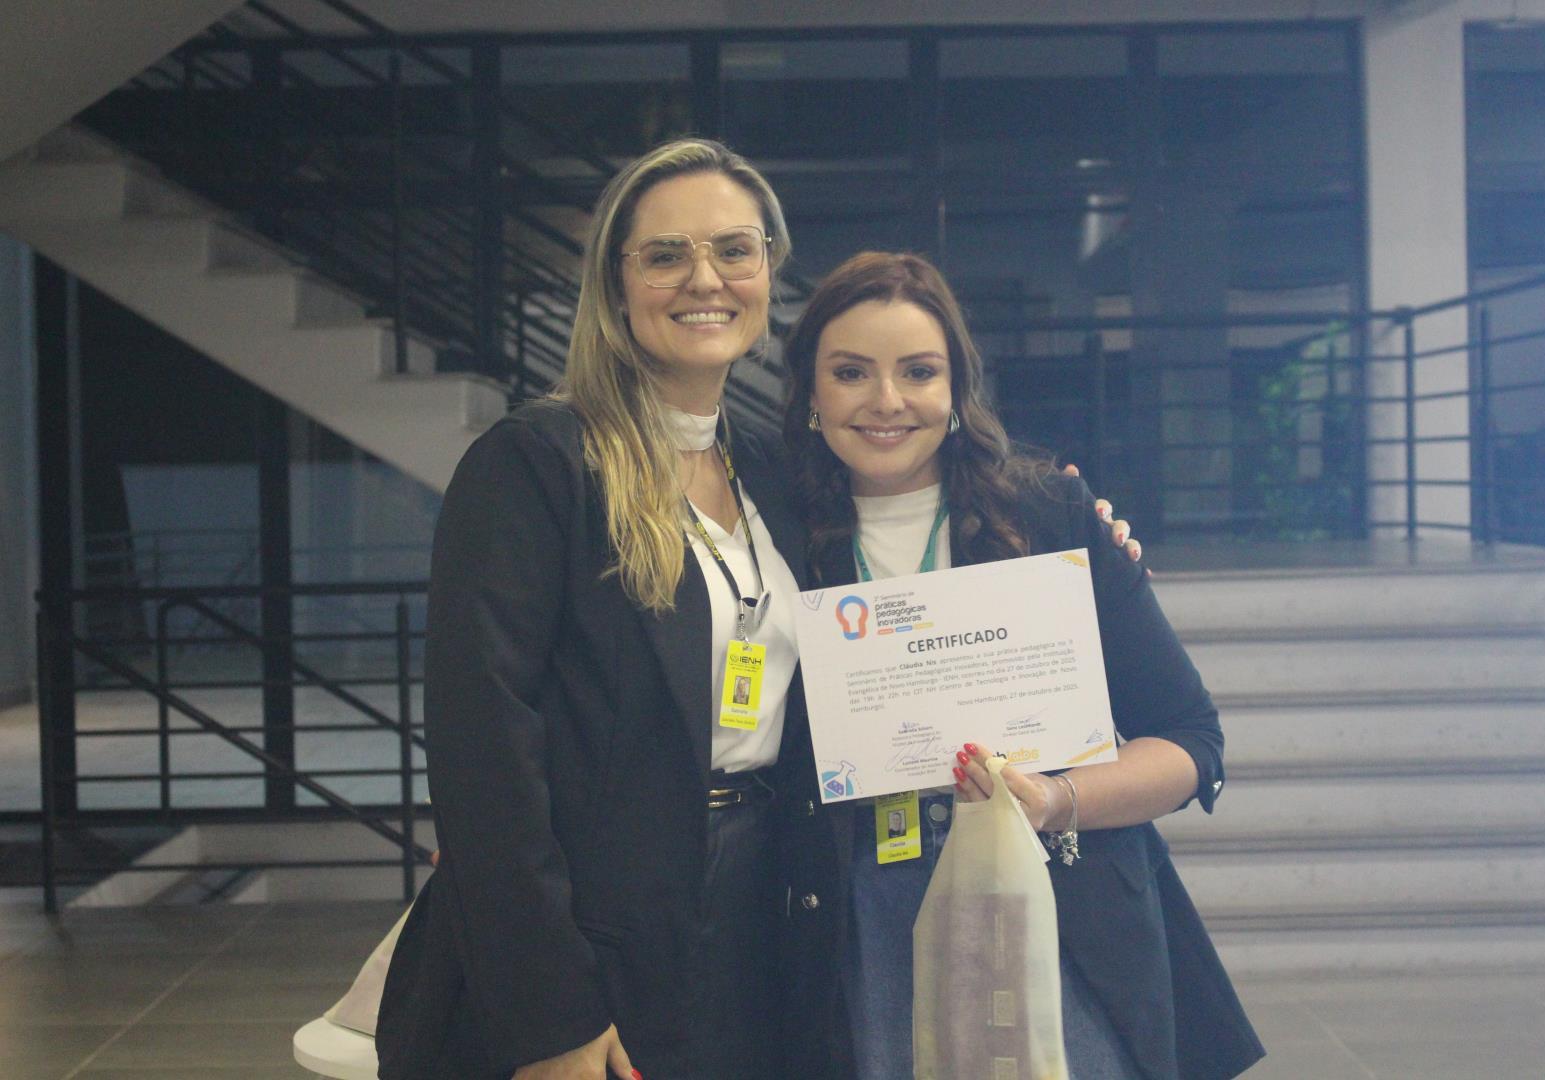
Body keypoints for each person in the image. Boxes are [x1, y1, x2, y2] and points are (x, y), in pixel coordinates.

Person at [375, 139, 806, 1080]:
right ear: (616, 283)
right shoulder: (537, 464)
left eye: (735, 250)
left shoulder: (772, 469)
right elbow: (483, 755)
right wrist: (551, 1016)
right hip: (598, 945)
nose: (706, 279)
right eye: (666, 255)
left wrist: (1081, 531)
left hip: (756, 920)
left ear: (769, 268)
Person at [776, 252, 1265, 1080]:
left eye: (918, 371)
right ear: (811, 394)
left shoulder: (1047, 515)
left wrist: (1055, 801)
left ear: (958, 389)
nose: (886, 400)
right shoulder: (773, 536)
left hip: (1054, 901)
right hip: (860, 919)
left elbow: (1191, 743)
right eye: (851, 372)